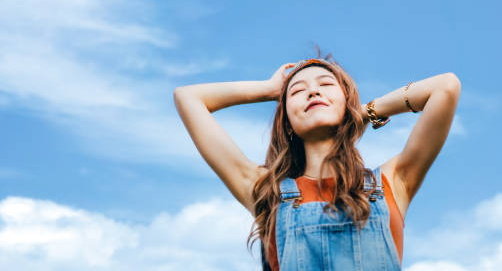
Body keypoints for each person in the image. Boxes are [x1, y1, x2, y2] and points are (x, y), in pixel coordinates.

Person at [173, 50, 461, 270]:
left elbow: (445, 87)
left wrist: (360, 112)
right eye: (297, 91)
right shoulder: (266, 192)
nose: (313, 91)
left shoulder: (392, 182)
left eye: (325, 84)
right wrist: (268, 89)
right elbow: (188, 97)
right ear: (286, 121)